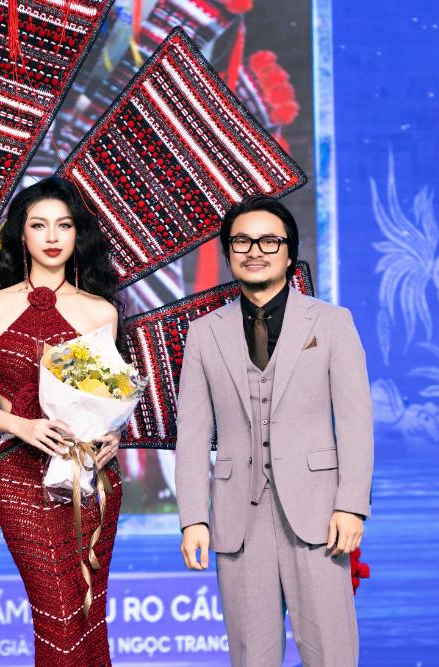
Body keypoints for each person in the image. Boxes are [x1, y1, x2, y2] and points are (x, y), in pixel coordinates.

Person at [175, 195, 373, 666]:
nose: (255, 251)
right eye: (242, 241)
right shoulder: (204, 332)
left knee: (332, 652)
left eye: (269, 241)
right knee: (251, 656)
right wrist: (193, 518)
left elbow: (356, 422)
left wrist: (351, 506)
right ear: (228, 253)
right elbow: (193, 433)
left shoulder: (332, 322)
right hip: (238, 518)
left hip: (319, 514)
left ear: (289, 252)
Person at [0, 176, 124, 665]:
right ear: (21, 234)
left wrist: (112, 435)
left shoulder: (101, 312)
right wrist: (22, 427)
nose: (52, 236)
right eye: (39, 225)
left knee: (87, 613)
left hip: (89, 476)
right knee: (56, 614)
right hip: (20, 475)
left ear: (78, 234)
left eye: (64, 225)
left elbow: (103, 398)